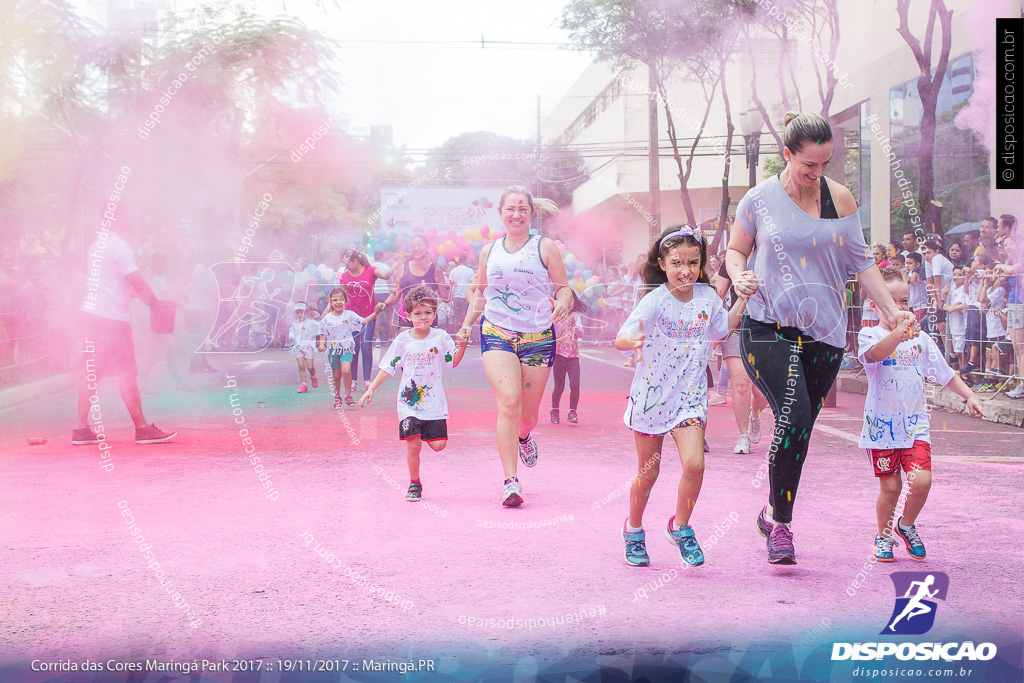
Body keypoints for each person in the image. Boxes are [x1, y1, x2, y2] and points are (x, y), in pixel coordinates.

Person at [725, 111, 918, 565]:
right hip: (767, 325)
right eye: (808, 165)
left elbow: (861, 260)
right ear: (787, 154)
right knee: (792, 418)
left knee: (800, 431)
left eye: (825, 164)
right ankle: (783, 529)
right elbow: (736, 250)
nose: (816, 174)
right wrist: (739, 276)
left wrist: (891, 311)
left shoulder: (841, 200)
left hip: (825, 333)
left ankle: (771, 511)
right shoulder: (759, 199)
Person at [616, 225, 748, 567]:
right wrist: (630, 341)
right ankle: (633, 529)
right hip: (651, 400)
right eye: (677, 262)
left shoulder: (708, 296)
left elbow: (721, 329)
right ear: (662, 263)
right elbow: (623, 336)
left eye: (692, 262)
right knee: (649, 473)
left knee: (695, 463)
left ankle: (681, 526)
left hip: (689, 398)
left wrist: (743, 298)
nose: (685, 270)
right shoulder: (654, 300)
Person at [858, 267, 984, 562]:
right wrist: (898, 333)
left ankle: (907, 525)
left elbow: (945, 373)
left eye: (906, 302)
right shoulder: (869, 335)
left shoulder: (922, 340)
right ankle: (883, 536)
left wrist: (970, 396)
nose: (902, 309)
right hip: (882, 429)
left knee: (921, 481)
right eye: (894, 302)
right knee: (890, 487)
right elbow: (875, 355)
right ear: (875, 304)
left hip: (914, 426)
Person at [456, 185, 571, 507]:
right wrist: (466, 327)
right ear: (501, 213)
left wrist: (562, 303)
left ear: (532, 214)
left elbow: (564, 291)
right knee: (508, 401)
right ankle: (510, 480)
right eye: (510, 208)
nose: (516, 214)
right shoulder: (488, 251)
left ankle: (523, 436)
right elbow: (477, 292)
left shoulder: (545, 247)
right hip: (497, 332)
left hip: (537, 337)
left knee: (528, 416)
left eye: (522, 209)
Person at [359, 286, 467, 501]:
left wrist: (462, 346)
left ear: (435, 313)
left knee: (438, 445)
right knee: (412, 442)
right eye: (417, 313)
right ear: (407, 316)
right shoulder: (402, 340)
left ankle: (424, 432)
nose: (423, 317)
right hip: (408, 402)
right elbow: (387, 367)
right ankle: (414, 483)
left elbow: (452, 361)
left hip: (434, 402)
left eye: (427, 312)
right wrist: (371, 389)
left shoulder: (441, 337)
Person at [73, 227, 176, 445]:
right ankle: (142, 429)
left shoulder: (97, 246)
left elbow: (110, 284)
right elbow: (135, 280)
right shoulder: (120, 246)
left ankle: (81, 429)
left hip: (92, 316)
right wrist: (155, 305)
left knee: (92, 372)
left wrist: (132, 296)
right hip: (112, 320)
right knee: (127, 372)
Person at [716, 256, 769, 454]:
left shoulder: (774, 254)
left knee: (763, 391)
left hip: (765, 331)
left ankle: (755, 415)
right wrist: (712, 325)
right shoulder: (732, 260)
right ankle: (743, 435)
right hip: (736, 329)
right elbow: (719, 293)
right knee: (740, 383)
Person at [317, 288, 382, 407]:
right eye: (335, 300)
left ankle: (348, 395)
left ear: (346, 301)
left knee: (346, 371)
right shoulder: (327, 318)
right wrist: (321, 344)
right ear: (331, 302)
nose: (338, 302)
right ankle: (337, 396)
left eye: (341, 299)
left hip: (347, 349)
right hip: (333, 350)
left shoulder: (350, 315)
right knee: (336, 375)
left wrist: (376, 312)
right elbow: (323, 333)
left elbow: (364, 321)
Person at [338, 247, 391, 393]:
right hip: (351, 318)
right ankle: (353, 380)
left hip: (368, 315)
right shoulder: (345, 276)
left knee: (366, 345)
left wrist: (398, 265)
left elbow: (386, 275)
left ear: (355, 261)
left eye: (347, 263)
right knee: (354, 347)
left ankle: (367, 379)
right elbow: (339, 295)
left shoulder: (371, 270)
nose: (346, 267)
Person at [385, 234, 450, 329]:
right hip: (406, 320)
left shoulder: (436, 270)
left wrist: (449, 288)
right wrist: (384, 304)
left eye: (419, 245)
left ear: (427, 247)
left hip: (428, 321)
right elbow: (395, 294)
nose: (416, 248)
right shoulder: (402, 268)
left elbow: (445, 298)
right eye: (413, 246)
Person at [550, 290, 587, 425]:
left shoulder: (576, 316)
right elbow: (551, 334)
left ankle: (572, 411)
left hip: (573, 356)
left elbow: (581, 334)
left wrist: (574, 325)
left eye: (571, 300)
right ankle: (555, 410)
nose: (569, 303)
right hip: (559, 356)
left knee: (575, 384)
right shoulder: (554, 316)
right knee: (559, 386)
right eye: (565, 300)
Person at [994, 235, 1024, 398]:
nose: (1007, 247)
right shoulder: (1010, 262)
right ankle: (1020, 382)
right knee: (1017, 347)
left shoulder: (1020, 259)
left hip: (1020, 303)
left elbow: (1013, 271)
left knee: (1021, 346)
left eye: (1010, 244)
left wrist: (1000, 266)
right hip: (1012, 303)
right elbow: (1002, 276)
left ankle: (1022, 383)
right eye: (1005, 245)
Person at [287, 302, 319, 393]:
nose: (300, 315)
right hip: (298, 347)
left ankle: (313, 376)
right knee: (301, 365)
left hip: (309, 346)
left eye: (303, 312)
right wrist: (291, 337)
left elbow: (320, 327)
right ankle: (303, 385)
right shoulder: (294, 324)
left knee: (310, 367)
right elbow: (292, 332)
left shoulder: (311, 323)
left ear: (307, 312)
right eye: (298, 313)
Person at [943, 265, 968, 370]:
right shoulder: (952, 288)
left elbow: (952, 307)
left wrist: (948, 307)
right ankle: (963, 373)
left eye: (959, 275)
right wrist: (944, 294)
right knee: (956, 352)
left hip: (960, 325)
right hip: (953, 324)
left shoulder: (963, 289)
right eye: (955, 274)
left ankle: (967, 370)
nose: (956, 277)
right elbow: (944, 304)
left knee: (959, 352)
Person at [448, 257, 476, 337]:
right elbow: (472, 284)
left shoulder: (454, 271)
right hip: (467, 296)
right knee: (468, 316)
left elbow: (451, 283)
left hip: (457, 296)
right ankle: (468, 335)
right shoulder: (469, 271)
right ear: (466, 260)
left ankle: (457, 334)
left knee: (456, 316)